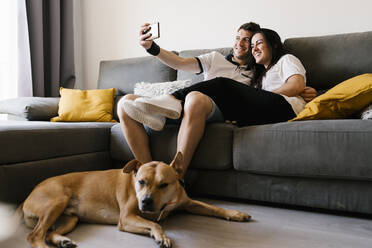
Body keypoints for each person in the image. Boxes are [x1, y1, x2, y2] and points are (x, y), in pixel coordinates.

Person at [117, 23, 315, 178]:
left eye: (252, 42)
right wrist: (152, 48)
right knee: (125, 102)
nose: (243, 44)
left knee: (213, 88)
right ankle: (148, 175)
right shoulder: (232, 64)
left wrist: (308, 93)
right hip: (207, 108)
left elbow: (294, 85)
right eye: (240, 39)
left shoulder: (272, 66)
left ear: (273, 45)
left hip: (213, 108)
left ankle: (176, 172)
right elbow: (179, 63)